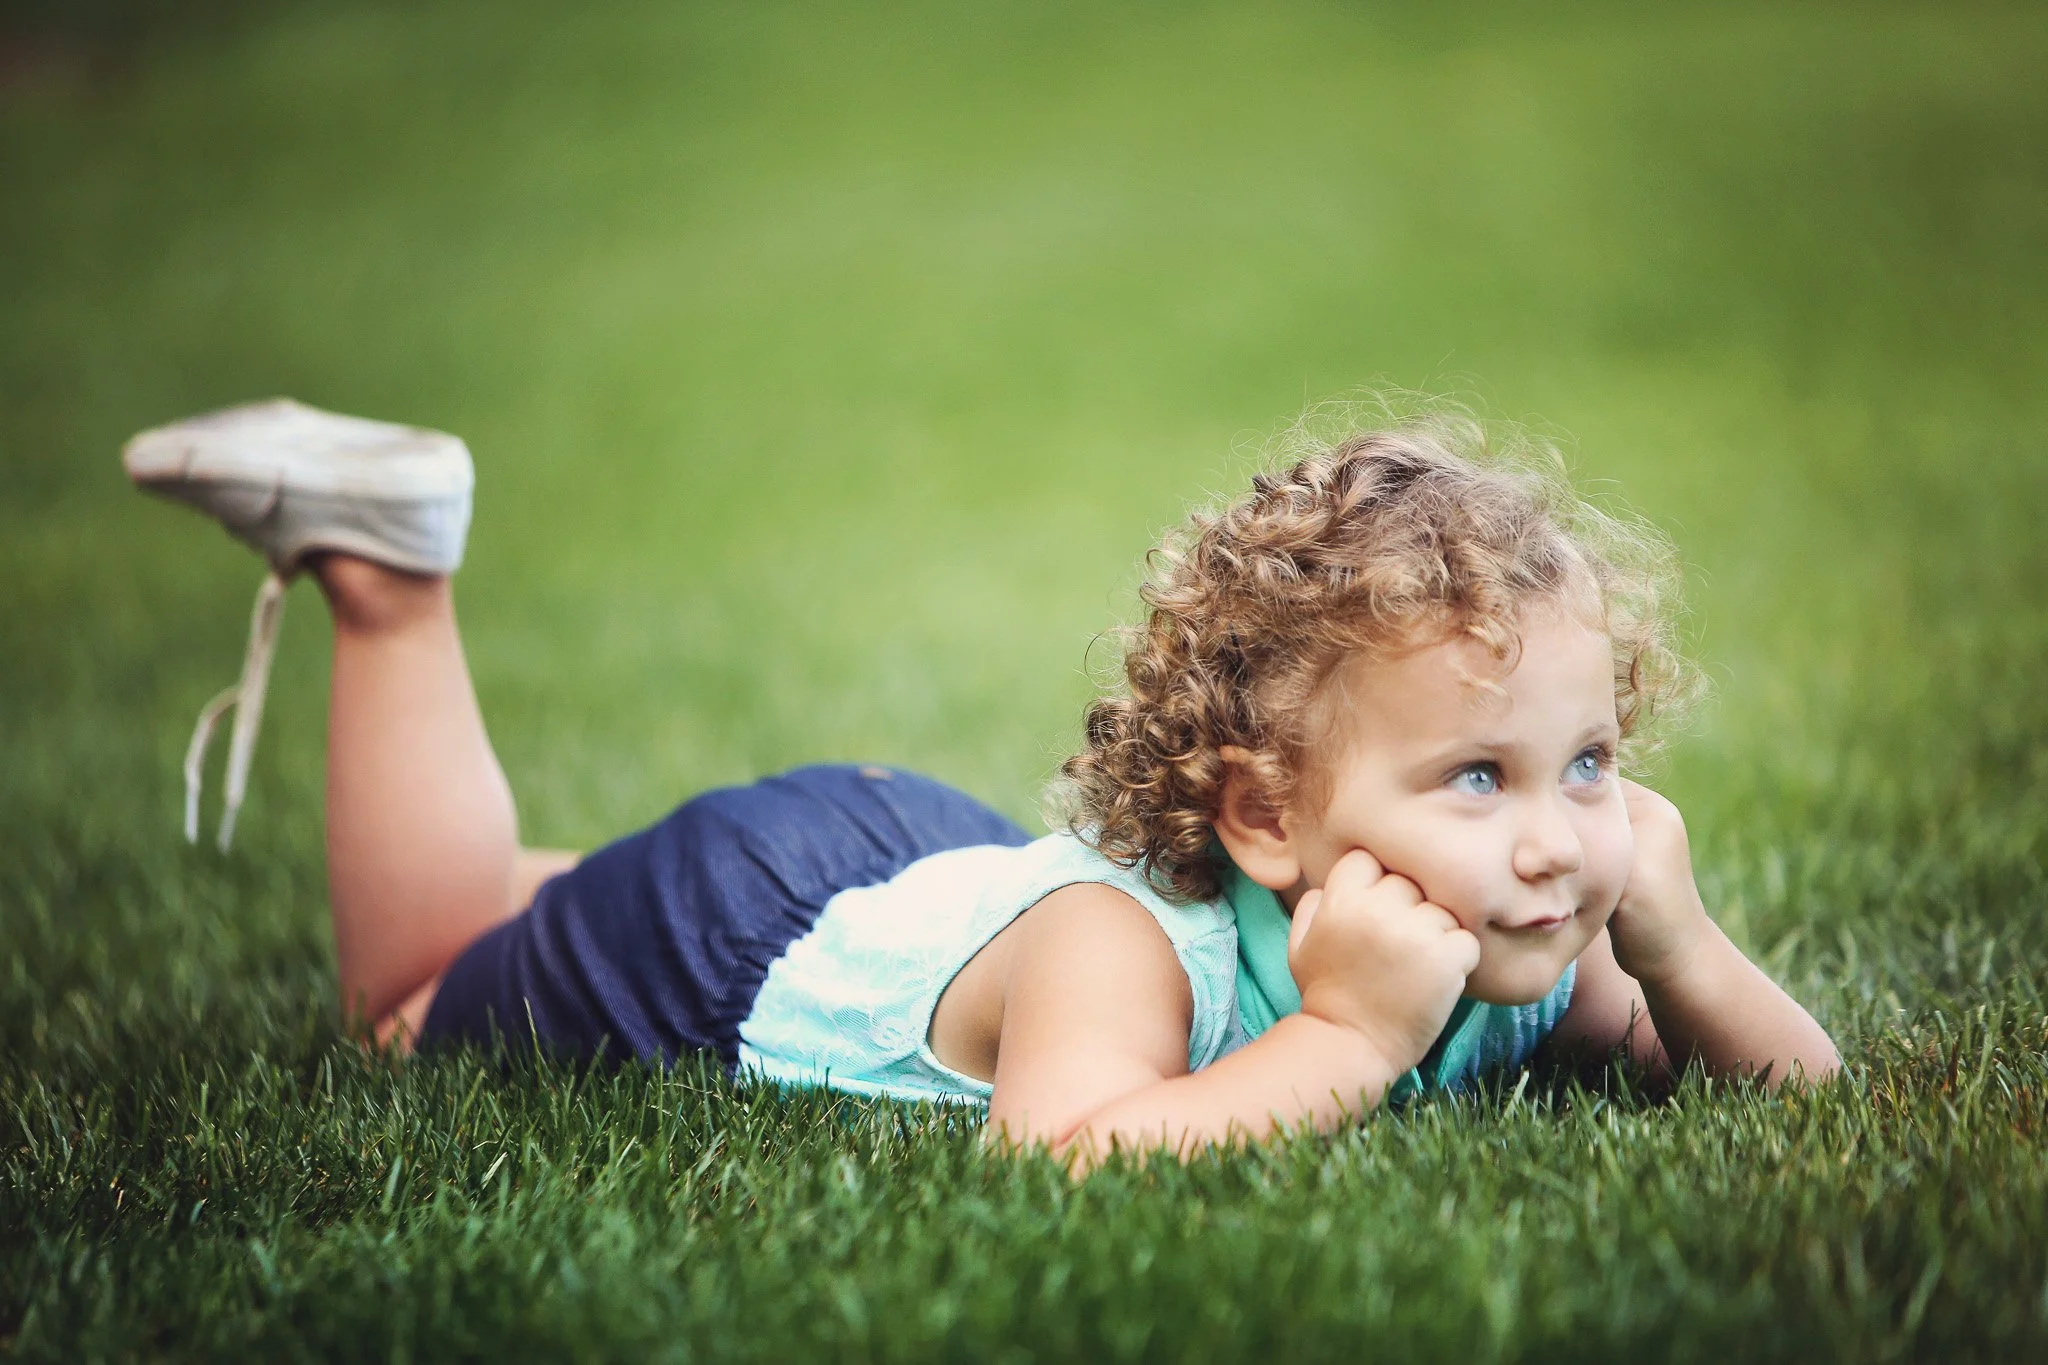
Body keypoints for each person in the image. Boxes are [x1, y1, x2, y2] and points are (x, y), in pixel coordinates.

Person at [124, 397, 1840, 1165]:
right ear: (1261, 821)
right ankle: (394, 577)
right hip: (743, 934)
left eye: (1590, 763)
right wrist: (1346, 1043)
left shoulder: (1526, 921)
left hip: (921, 875)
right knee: (417, 993)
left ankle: (540, 873)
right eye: (1478, 777)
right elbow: (1070, 1159)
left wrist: (1683, 954)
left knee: (529, 905)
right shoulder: (1121, 948)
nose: (1557, 841)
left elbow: (1799, 1102)